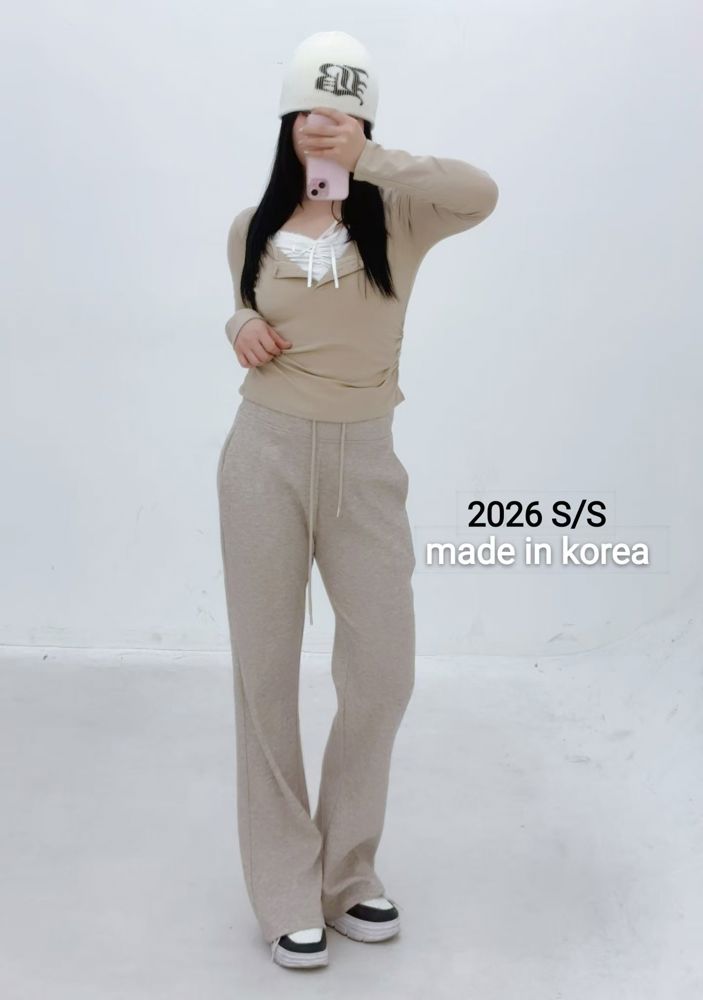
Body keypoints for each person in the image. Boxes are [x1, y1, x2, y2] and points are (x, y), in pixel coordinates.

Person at [216, 30, 499, 969]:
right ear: (285, 121)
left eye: (340, 110)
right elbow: (246, 308)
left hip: (366, 462)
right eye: (306, 109)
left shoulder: (400, 218)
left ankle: (347, 872)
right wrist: (239, 321)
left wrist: (370, 161)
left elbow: (481, 192)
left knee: (382, 669)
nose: (321, 124)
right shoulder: (250, 228)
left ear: (365, 120)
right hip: (262, 455)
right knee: (264, 675)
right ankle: (284, 887)